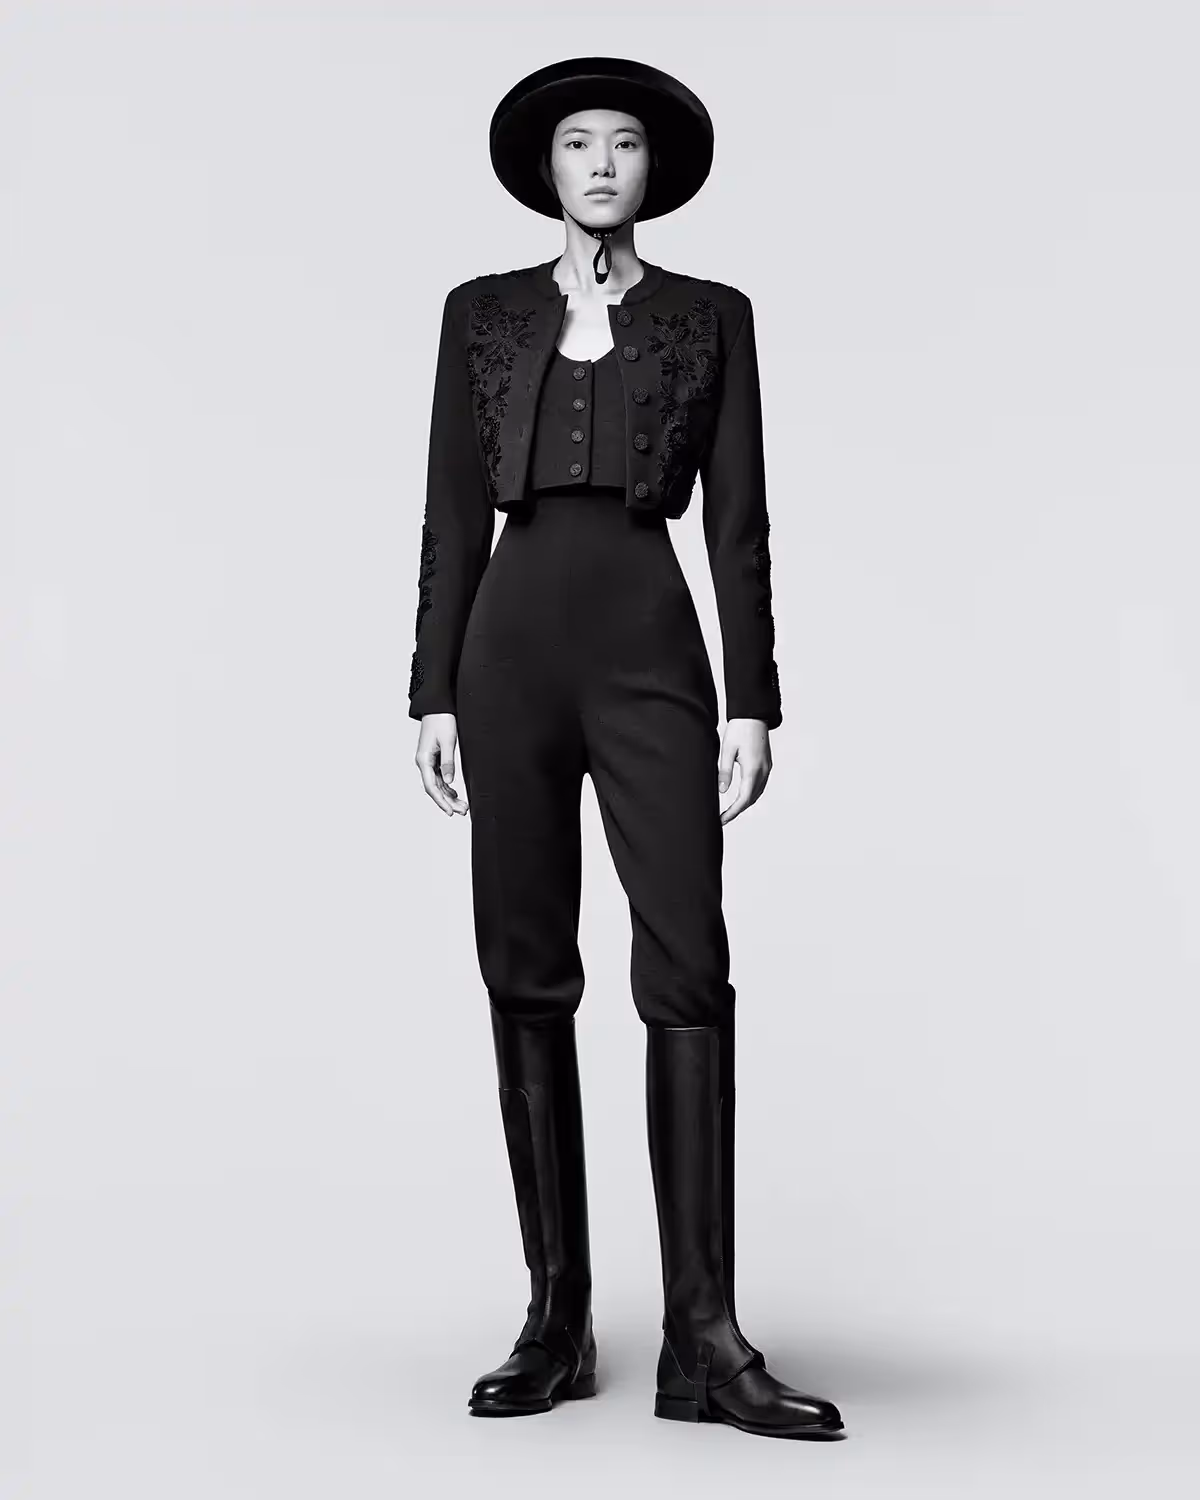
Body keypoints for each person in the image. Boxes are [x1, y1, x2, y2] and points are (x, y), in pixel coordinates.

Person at [408, 56, 844, 1440]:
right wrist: (429, 692)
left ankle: (704, 1340)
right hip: (508, 654)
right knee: (524, 963)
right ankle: (558, 1316)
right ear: (547, 169)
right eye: (578, 144)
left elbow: (740, 520)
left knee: (688, 964)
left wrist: (752, 698)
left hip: (651, 646)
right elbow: (449, 513)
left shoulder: (712, 317)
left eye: (625, 145)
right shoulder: (481, 314)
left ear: (654, 171)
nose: (601, 164)